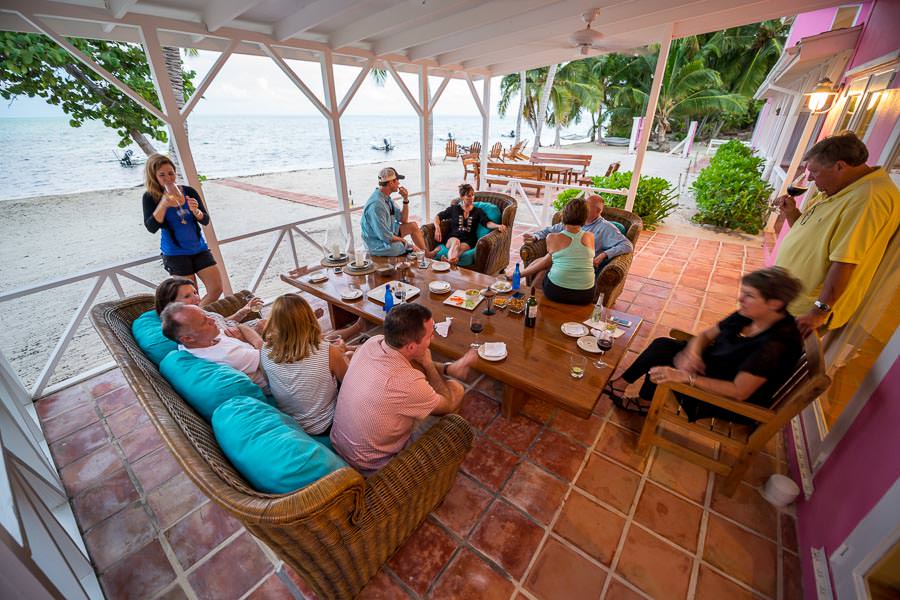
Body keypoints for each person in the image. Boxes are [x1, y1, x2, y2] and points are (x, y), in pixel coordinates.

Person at [607, 267, 804, 419]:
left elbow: (739, 392)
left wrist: (686, 378)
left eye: (749, 295)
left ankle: (642, 402)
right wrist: (692, 353)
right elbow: (706, 336)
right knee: (663, 346)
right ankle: (625, 388)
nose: (741, 299)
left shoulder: (776, 345)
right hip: (714, 367)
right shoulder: (750, 315)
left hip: (723, 399)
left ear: (775, 303)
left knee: (666, 362)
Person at [774, 132, 899, 336]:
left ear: (840, 166)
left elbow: (845, 261)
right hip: (787, 296)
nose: (811, 179)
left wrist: (819, 310)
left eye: (814, 172)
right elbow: (811, 232)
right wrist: (792, 212)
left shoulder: (868, 199)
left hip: (803, 308)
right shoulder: (841, 189)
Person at [330, 303, 477, 474]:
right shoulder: (406, 383)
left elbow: (409, 363)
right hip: (371, 466)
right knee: (456, 389)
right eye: (430, 336)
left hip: (339, 445)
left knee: (412, 366)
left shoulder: (374, 342)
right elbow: (447, 404)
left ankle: (449, 368)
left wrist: (442, 368)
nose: (433, 339)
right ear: (412, 346)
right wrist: (429, 365)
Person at [260, 294, 350, 436]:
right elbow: (349, 383)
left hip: (292, 423)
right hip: (326, 425)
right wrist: (343, 355)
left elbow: (268, 381)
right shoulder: (327, 351)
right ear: (309, 319)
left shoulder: (265, 349)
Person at [142, 154, 223, 305]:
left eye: (171, 173)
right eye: (162, 175)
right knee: (191, 298)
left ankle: (200, 315)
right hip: (175, 254)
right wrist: (163, 204)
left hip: (199, 249)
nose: (168, 178)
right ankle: (198, 318)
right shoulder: (150, 197)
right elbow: (151, 227)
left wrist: (196, 212)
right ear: (154, 176)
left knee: (216, 289)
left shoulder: (189, 191)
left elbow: (205, 220)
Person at [160, 303, 268, 390]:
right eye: (204, 322)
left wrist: (251, 340)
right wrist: (256, 341)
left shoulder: (197, 342)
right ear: (188, 339)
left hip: (265, 357)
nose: (212, 320)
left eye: (206, 316)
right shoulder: (226, 356)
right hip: (278, 374)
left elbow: (240, 327)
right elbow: (271, 357)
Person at [510, 198, 596, 304]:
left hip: (557, 291)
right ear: (585, 217)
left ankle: (530, 300)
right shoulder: (590, 237)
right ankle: (523, 285)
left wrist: (519, 275)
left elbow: (546, 263)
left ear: (563, 215)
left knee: (545, 269)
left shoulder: (552, 238)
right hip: (586, 295)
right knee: (550, 261)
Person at [524, 193, 632, 274]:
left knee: (545, 265)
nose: (583, 208)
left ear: (598, 211)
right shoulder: (575, 219)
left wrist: (604, 255)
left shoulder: (606, 228)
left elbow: (627, 245)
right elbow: (550, 230)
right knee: (542, 265)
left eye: (587, 206)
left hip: (583, 266)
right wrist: (535, 236)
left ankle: (520, 280)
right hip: (564, 260)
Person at [360, 167, 432, 257]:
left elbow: (403, 220)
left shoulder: (386, 198)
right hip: (376, 242)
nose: (399, 183)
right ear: (390, 183)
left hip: (389, 231)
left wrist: (405, 199)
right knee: (400, 246)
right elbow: (385, 236)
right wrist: (405, 241)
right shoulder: (377, 205)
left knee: (413, 226)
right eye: (397, 180)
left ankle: (427, 254)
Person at [432, 184, 507, 265]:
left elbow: (487, 223)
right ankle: (450, 261)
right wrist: (437, 228)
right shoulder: (454, 209)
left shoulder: (478, 211)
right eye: (468, 196)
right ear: (462, 197)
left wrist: (498, 226)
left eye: (472, 195)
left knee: (461, 248)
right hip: (452, 238)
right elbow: (438, 216)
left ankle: (451, 262)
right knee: (456, 242)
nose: (472, 198)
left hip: (468, 240)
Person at [155, 276, 263, 331]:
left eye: (195, 292)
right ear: (171, 305)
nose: (196, 298)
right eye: (187, 296)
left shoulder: (199, 313)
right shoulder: (187, 328)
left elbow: (223, 322)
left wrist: (242, 312)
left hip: (243, 329)